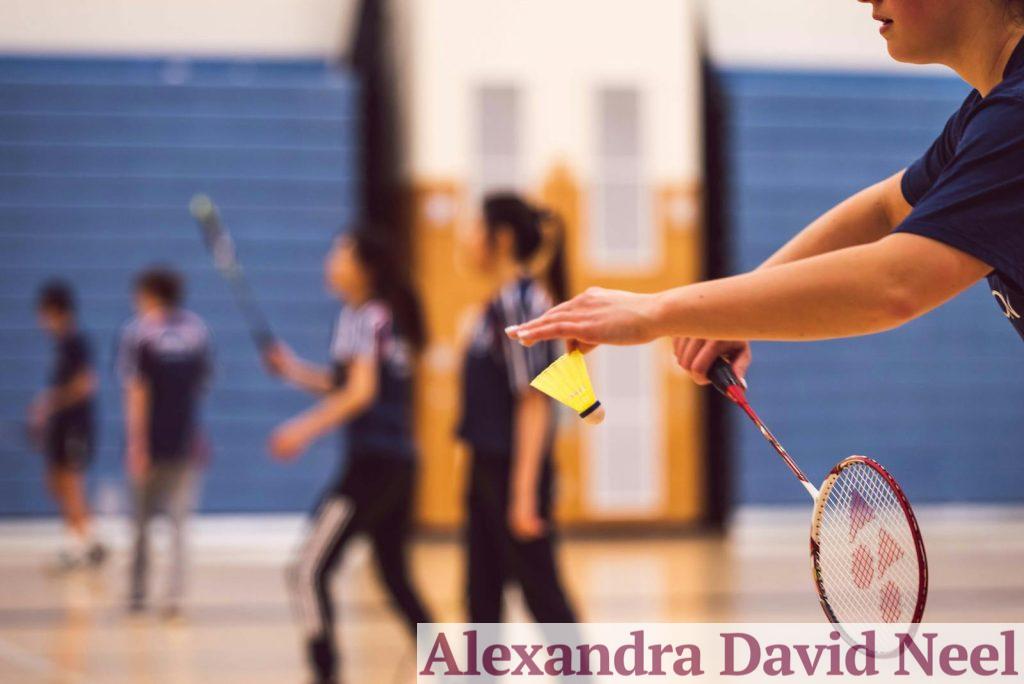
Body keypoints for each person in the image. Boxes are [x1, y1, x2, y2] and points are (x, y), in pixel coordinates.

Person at [508, 1, 1024, 380]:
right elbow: (886, 208)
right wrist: (727, 312)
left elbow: (897, 282)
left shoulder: (1016, 115)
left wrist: (653, 311)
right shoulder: (986, 113)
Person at [264, 227, 432, 684]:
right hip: (400, 465)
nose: (329, 263)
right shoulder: (381, 316)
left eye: (339, 255)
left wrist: (301, 429)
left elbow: (360, 393)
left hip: (373, 468)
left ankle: (326, 674)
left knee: (305, 571)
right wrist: (294, 371)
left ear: (364, 269)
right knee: (395, 576)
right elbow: (352, 384)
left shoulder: (365, 316)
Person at [456, 193, 577, 624]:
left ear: (501, 238)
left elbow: (534, 400)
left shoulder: (523, 301)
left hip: (512, 470)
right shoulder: (501, 301)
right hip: (487, 467)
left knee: (542, 597)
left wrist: (523, 494)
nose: (466, 239)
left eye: (475, 228)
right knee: (481, 598)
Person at [117, 267, 211, 617]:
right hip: (185, 442)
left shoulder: (139, 333)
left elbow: (136, 392)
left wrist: (136, 444)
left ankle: (138, 595)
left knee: (140, 524)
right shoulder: (197, 331)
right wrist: (199, 436)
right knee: (179, 526)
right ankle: (175, 598)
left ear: (150, 294)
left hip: (153, 444)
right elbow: (198, 392)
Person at [30, 281, 106, 570]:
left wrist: (50, 401)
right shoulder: (61, 345)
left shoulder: (76, 342)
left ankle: (78, 548)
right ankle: (90, 540)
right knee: (57, 482)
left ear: (55, 311)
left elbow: (86, 384)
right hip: (61, 426)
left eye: (43, 313)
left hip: (76, 425)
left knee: (72, 483)